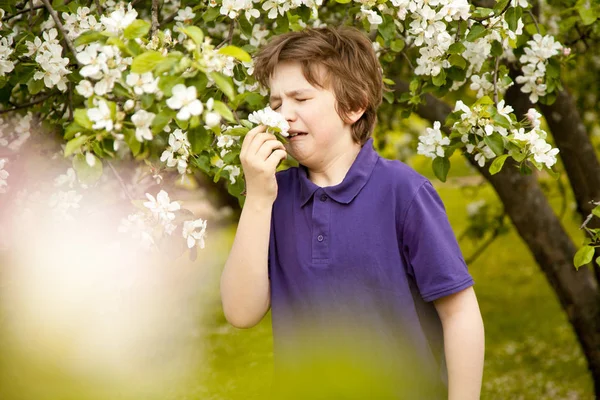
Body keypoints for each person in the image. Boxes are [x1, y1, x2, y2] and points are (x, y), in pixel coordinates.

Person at [220, 26, 485, 399]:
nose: (284, 115)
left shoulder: (402, 192)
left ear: (353, 105)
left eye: (301, 98)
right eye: (276, 104)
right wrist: (258, 199)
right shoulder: (274, 201)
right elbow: (240, 312)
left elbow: (459, 314)